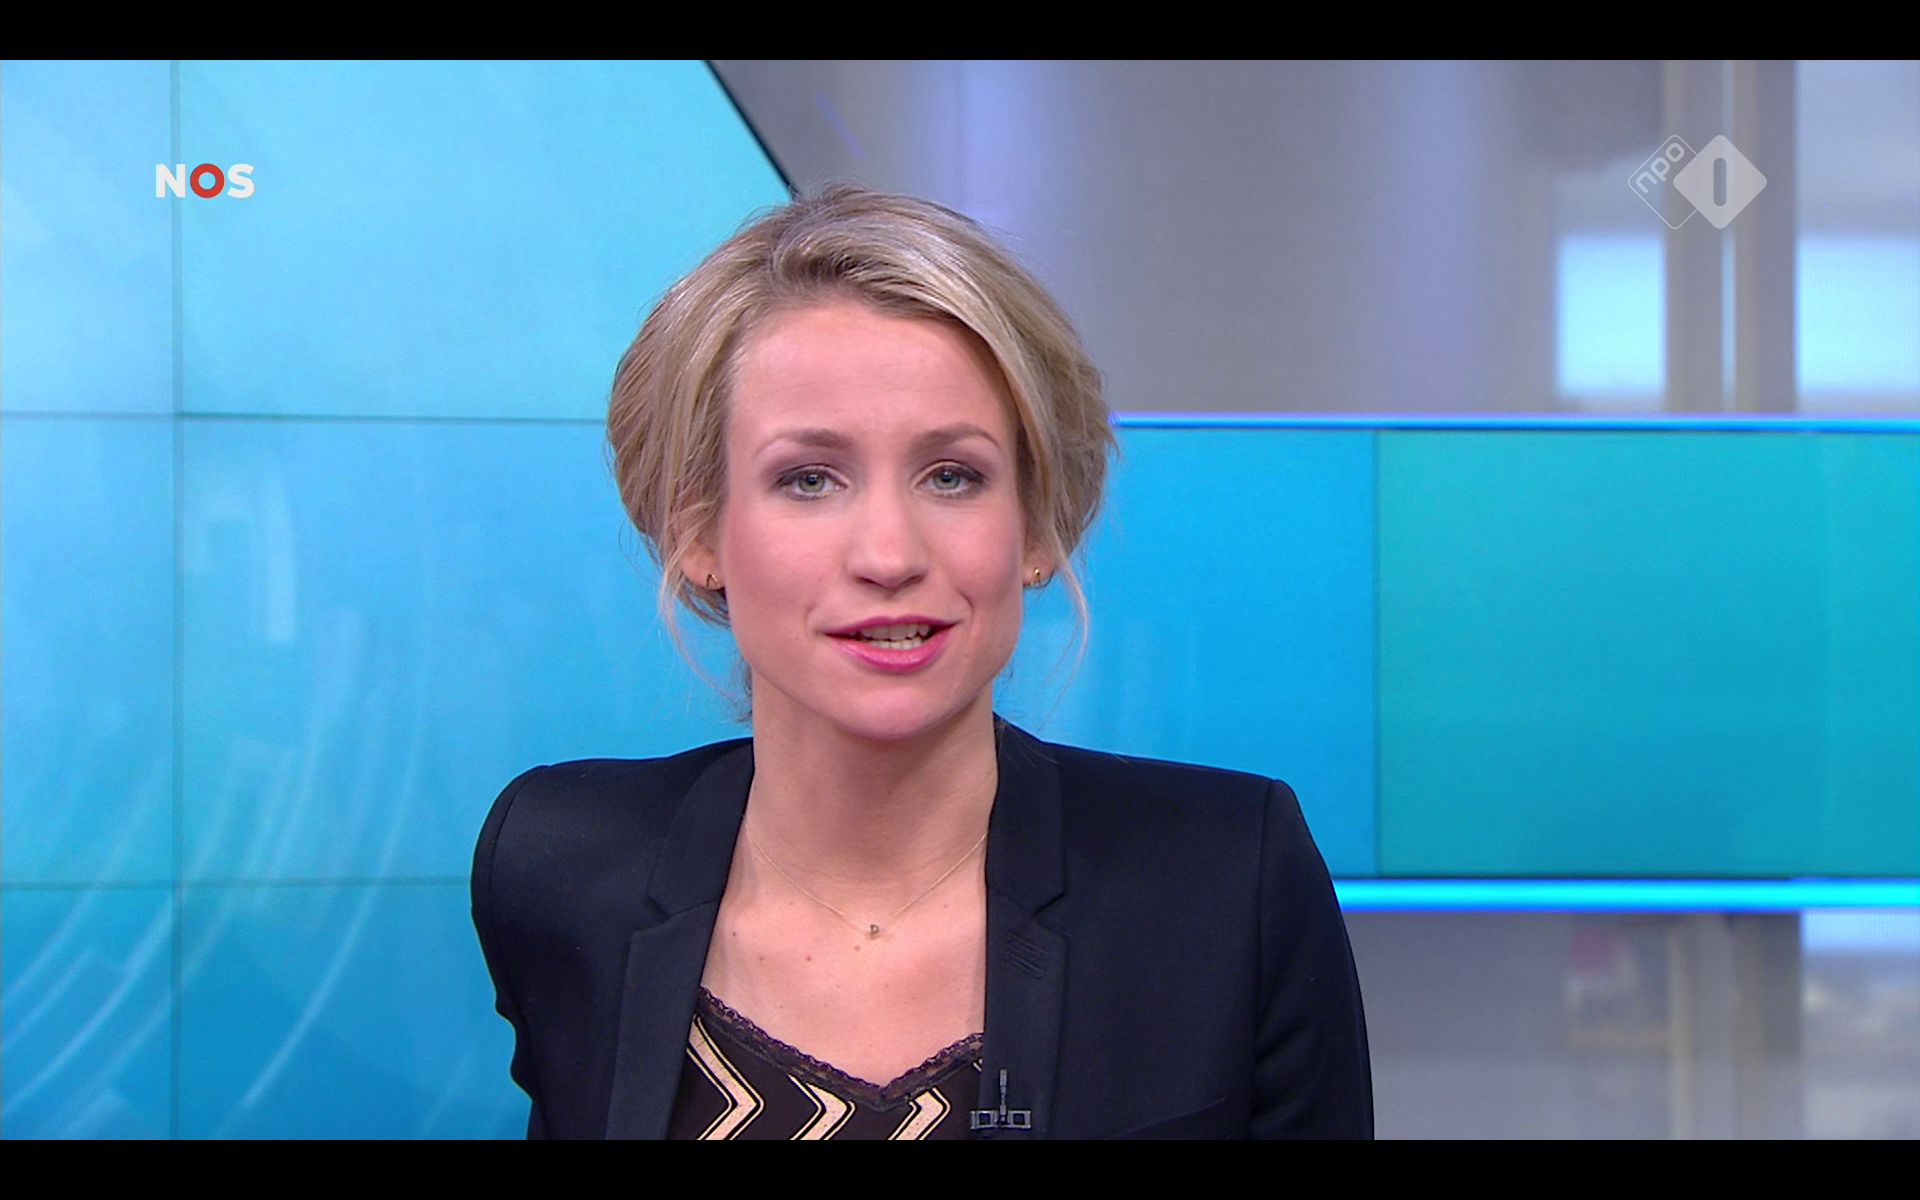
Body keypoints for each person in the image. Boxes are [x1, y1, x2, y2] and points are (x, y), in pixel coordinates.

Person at [471, 184, 1372, 1139]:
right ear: (697, 529)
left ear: (1037, 526)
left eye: (952, 476)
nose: (890, 554)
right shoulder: (558, 868)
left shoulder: (1226, 882)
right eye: (808, 479)